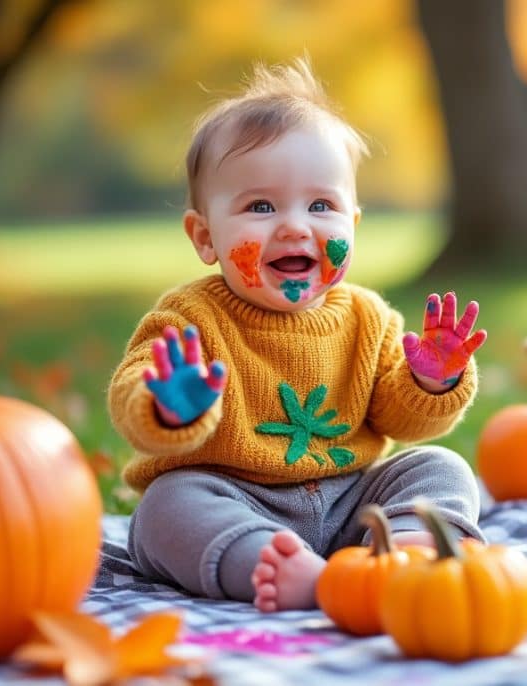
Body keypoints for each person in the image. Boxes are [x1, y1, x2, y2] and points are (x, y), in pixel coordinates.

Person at [107, 57, 486, 612]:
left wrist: (431, 381)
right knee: (167, 507)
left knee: (441, 467)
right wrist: (168, 405)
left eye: (320, 205)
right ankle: (276, 568)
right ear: (205, 236)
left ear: (351, 225)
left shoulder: (368, 318)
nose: (294, 225)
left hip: (351, 501)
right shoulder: (189, 319)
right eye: (261, 206)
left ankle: (404, 553)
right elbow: (131, 397)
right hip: (235, 499)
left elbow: (401, 420)